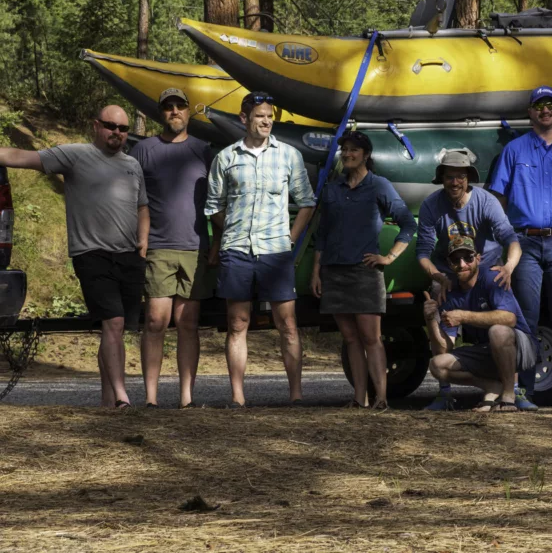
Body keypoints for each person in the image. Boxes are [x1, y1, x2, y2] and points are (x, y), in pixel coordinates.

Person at [0, 106, 148, 409]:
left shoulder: (132, 164)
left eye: (123, 128)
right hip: (92, 254)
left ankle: (108, 402)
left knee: (114, 328)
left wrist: (143, 242)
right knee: (114, 322)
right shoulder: (75, 155)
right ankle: (122, 396)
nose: (117, 132)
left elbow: (142, 205)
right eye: (110, 126)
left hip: (128, 256)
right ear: (96, 125)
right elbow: (23, 157)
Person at [205, 92, 316, 407]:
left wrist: (291, 238)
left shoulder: (289, 155)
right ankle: (238, 397)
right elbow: (213, 206)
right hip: (237, 249)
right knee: (237, 323)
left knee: (288, 324)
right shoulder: (226, 158)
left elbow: (306, 202)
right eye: (259, 116)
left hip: (275, 252)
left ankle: (296, 395)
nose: (266, 122)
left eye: (269, 116)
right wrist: (233, 229)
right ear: (244, 119)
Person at [485, 86, 552, 405]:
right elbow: (498, 199)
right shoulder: (514, 150)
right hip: (524, 243)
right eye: (538, 105)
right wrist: (503, 240)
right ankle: (524, 391)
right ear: (530, 112)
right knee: (526, 317)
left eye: (550, 104)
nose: (545, 110)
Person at [415, 149, 529, 410]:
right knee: (437, 298)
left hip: (486, 265)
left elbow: (510, 239)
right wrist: (437, 276)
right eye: (449, 177)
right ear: (441, 179)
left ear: (468, 179)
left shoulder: (485, 201)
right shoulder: (431, 204)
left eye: (460, 177)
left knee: (502, 321)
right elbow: (422, 252)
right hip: (448, 268)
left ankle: (514, 390)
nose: (455, 182)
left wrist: (508, 268)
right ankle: (445, 392)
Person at [311, 131, 417, 410]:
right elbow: (322, 234)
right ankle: (360, 399)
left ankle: (381, 398)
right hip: (333, 271)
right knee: (350, 339)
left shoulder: (379, 185)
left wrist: (389, 257)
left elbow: (408, 223)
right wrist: (316, 272)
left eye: (354, 150)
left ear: (366, 155)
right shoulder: (333, 188)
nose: (347, 154)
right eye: (344, 149)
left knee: (371, 338)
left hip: (364, 272)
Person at [129, 88, 217, 409]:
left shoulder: (203, 151)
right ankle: (151, 399)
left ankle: (186, 399)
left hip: (195, 248)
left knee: (188, 323)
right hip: (157, 247)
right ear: (161, 113)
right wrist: (137, 241)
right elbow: (131, 199)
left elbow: (217, 201)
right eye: (169, 107)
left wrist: (217, 243)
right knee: (155, 320)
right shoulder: (143, 150)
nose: (175, 111)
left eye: (180, 106)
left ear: (188, 111)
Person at [422, 236, 538, 413]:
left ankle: (509, 395)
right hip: (486, 351)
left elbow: (509, 319)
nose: (462, 264)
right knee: (437, 364)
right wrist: (431, 320)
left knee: (498, 331)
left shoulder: (493, 277)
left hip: (521, 350)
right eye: (456, 260)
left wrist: (464, 316)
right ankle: (492, 387)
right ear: (449, 264)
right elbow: (445, 348)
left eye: (468, 258)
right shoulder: (450, 293)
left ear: (478, 258)